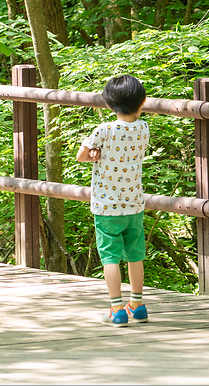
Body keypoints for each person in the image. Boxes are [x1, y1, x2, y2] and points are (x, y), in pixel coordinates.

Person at [76, 74, 150, 327]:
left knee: (110, 258)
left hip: (106, 206)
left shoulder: (104, 129)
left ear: (109, 105)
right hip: (134, 203)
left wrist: (95, 153)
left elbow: (81, 156)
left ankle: (117, 309)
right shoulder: (143, 128)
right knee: (135, 256)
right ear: (142, 103)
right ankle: (138, 305)